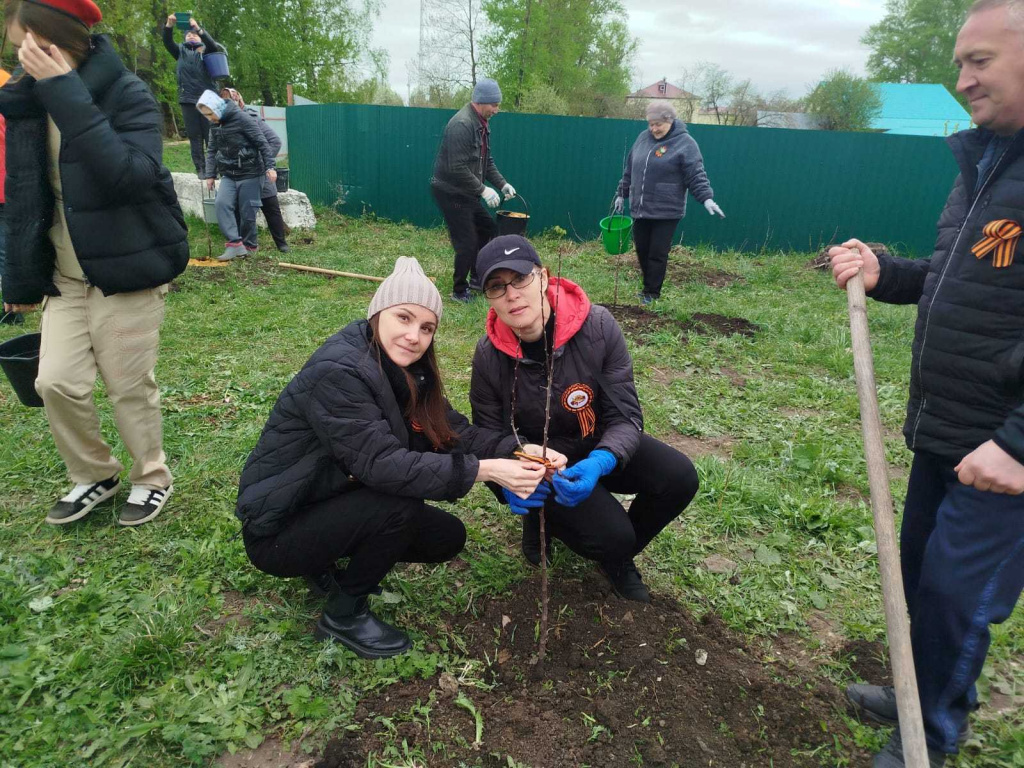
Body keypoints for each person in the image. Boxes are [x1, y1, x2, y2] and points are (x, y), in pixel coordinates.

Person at [830, 2, 1024, 765]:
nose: (963, 80)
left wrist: (1018, 444)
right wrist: (887, 273)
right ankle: (929, 689)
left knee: (954, 594)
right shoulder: (988, 163)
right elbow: (956, 282)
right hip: (948, 426)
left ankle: (930, 734)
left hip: (1003, 450)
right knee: (921, 575)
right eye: (959, 63)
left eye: (980, 61)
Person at [235, 257, 566, 659]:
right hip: (279, 528)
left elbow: (453, 432)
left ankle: (326, 557)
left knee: (445, 537)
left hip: (330, 497)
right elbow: (383, 466)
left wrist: (516, 449)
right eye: (404, 318)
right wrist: (486, 471)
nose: (414, 336)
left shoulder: (408, 371)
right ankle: (343, 614)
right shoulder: (340, 372)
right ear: (377, 314)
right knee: (399, 503)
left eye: (426, 328)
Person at [1, 0, 189, 526]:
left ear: (63, 41)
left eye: (33, 45)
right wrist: (19, 276)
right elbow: (22, 194)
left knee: (128, 386)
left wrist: (65, 92)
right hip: (66, 275)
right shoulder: (27, 102)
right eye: (16, 48)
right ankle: (95, 474)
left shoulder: (127, 93)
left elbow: (130, 176)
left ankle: (152, 477)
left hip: (127, 271)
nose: (23, 58)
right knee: (54, 383)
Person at [469, 235, 700, 603]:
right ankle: (540, 519)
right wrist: (514, 473)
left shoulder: (598, 328)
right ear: (489, 298)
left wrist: (603, 459)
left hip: (596, 442)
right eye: (497, 287)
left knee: (678, 477)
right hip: (542, 464)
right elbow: (486, 434)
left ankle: (617, 559)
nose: (512, 294)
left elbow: (625, 414)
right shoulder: (488, 355)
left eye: (521, 278)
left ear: (544, 277)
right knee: (612, 534)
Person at [612, 100, 725, 305]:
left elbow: (695, 174)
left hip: (667, 209)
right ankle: (647, 286)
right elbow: (630, 169)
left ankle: (652, 293)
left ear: (670, 121)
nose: (654, 129)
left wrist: (706, 198)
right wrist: (622, 193)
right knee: (642, 249)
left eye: (659, 124)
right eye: (651, 124)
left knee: (657, 252)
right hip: (640, 207)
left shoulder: (685, 143)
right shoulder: (642, 138)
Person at [430, 78, 515, 303]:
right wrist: (483, 190)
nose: (497, 110)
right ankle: (459, 291)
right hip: (450, 192)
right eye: (494, 105)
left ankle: (477, 277)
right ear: (481, 101)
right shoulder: (462, 125)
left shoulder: (482, 124)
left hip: (466, 190)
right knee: (466, 242)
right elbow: (455, 167)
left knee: (487, 227)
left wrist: (502, 184)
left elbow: (487, 161)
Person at [197, 90, 275, 261]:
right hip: (228, 174)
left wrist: (270, 167)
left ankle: (250, 246)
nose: (209, 118)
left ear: (217, 108)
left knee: (247, 214)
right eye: (206, 115)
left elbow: (263, 143)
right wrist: (210, 174)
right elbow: (211, 150)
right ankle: (235, 244)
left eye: (210, 113)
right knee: (221, 203)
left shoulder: (243, 119)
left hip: (251, 172)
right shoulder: (214, 125)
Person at [220, 87, 289, 253]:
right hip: (238, 175)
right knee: (240, 210)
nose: (231, 100)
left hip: (259, 173)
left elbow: (274, 142)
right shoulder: (222, 122)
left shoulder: (251, 118)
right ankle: (242, 245)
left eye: (234, 96)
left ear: (239, 99)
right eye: (227, 98)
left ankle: (281, 244)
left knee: (271, 207)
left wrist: (262, 164)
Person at [162, 14, 225, 178]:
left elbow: (213, 45)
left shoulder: (206, 50)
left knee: (211, 135)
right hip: (188, 99)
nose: (191, 35)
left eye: (194, 34)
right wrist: (169, 25)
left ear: (200, 37)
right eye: (188, 34)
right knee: (194, 136)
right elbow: (167, 42)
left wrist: (198, 28)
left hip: (208, 98)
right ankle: (201, 169)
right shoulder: (180, 51)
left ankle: (214, 169)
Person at [0, 113, 20, 326]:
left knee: (5, 251)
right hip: (8, 185)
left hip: (3, 189)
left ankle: (12, 308)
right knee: (7, 249)